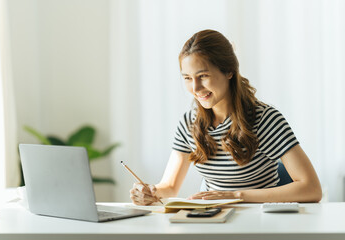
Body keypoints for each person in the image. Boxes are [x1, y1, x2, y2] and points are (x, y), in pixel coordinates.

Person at [130, 29, 322, 205]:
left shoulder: (265, 119)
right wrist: (151, 191)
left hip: (261, 221)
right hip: (213, 220)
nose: (195, 88)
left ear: (229, 70)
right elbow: (170, 187)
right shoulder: (189, 123)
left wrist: (236, 195)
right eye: (187, 78)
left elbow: (312, 188)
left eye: (203, 75)